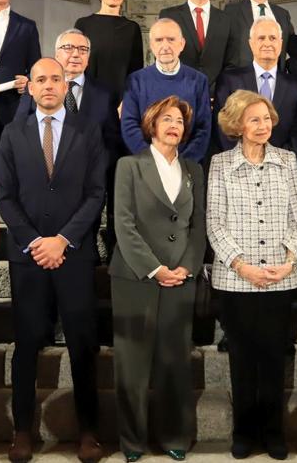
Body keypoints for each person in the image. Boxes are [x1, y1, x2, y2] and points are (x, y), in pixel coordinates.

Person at [0, 58, 105, 463]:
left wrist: (62, 240)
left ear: (65, 85)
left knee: (82, 346)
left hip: (73, 256)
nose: (47, 85)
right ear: (31, 87)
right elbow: (5, 196)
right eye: (40, 79)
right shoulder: (11, 134)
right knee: (26, 346)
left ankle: (89, 432)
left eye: (55, 79)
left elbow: (96, 193)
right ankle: (22, 431)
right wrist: (36, 242)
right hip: (29, 259)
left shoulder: (87, 131)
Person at [208, 91, 297, 460]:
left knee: (273, 358)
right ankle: (244, 431)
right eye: (254, 119)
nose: (263, 125)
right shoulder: (219, 164)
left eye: (266, 118)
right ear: (237, 125)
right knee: (242, 358)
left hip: (280, 276)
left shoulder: (287, 160)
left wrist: (289, 257)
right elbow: (214, 224)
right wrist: (242, 266)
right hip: (236, 280)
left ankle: (273, 431)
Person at [110, 96, 207, 462]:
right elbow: (123, 223)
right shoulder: (128, 166)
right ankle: (132, 442)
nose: (173, 126)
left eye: (179, 121)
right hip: (136, 277)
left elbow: (198, 226)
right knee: (132, 365)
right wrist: (154, 268)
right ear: (152, 124)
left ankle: (174, 436)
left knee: (174, 361)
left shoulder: (193, 170)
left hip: (181, 278)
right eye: (166, 119)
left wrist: (186, 267)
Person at [17, 29, 122, 257]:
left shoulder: (104, 94)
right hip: (42, 187)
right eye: (68, 48)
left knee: (82, 252)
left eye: (82, 49)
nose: (75, 54)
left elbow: (112, 142)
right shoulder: (35, 89)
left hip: (86, 191)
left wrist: (92, 170)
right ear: (56, 53)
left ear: (88, 56)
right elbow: (19, 136)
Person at [121, 19, 211, 163]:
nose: (165, 46)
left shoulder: (198, 81)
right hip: (146, 166)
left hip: (186, 166)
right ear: (151, 45)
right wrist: (152, 160)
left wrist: (181, 162)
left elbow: (203, 128)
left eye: (171, 39)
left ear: (182, 44)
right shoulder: (135, 80)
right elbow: (129, 125)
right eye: (159, 40)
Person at [213, 18, 297, 157]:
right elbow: (221, 127)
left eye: (272, 38)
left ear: (281, 43)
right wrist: (245, 158)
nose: (267, 43)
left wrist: (280, 159)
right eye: (261, 38)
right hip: (238, 165)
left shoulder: (295, 85)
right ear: (251, 43)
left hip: (281, 166)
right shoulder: (229, 80)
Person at [158, 0, 238, 90]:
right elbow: (162, 58)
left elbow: (231, 63)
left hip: (215, 97)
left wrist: (219, 93)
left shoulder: (226, 19)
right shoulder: (169, 16)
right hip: (177, 93)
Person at [75, 0, 145, 96]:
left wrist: (128, 101)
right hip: (87, 97)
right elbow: (76, 65)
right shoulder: (83, 24)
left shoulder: (132, 28)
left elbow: (136, 71)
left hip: (121, 101)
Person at [229, 0, 294, 70]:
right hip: (242, 77)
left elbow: (293, 45)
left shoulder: (282, 14)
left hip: (275, 77)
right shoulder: (232, 11)